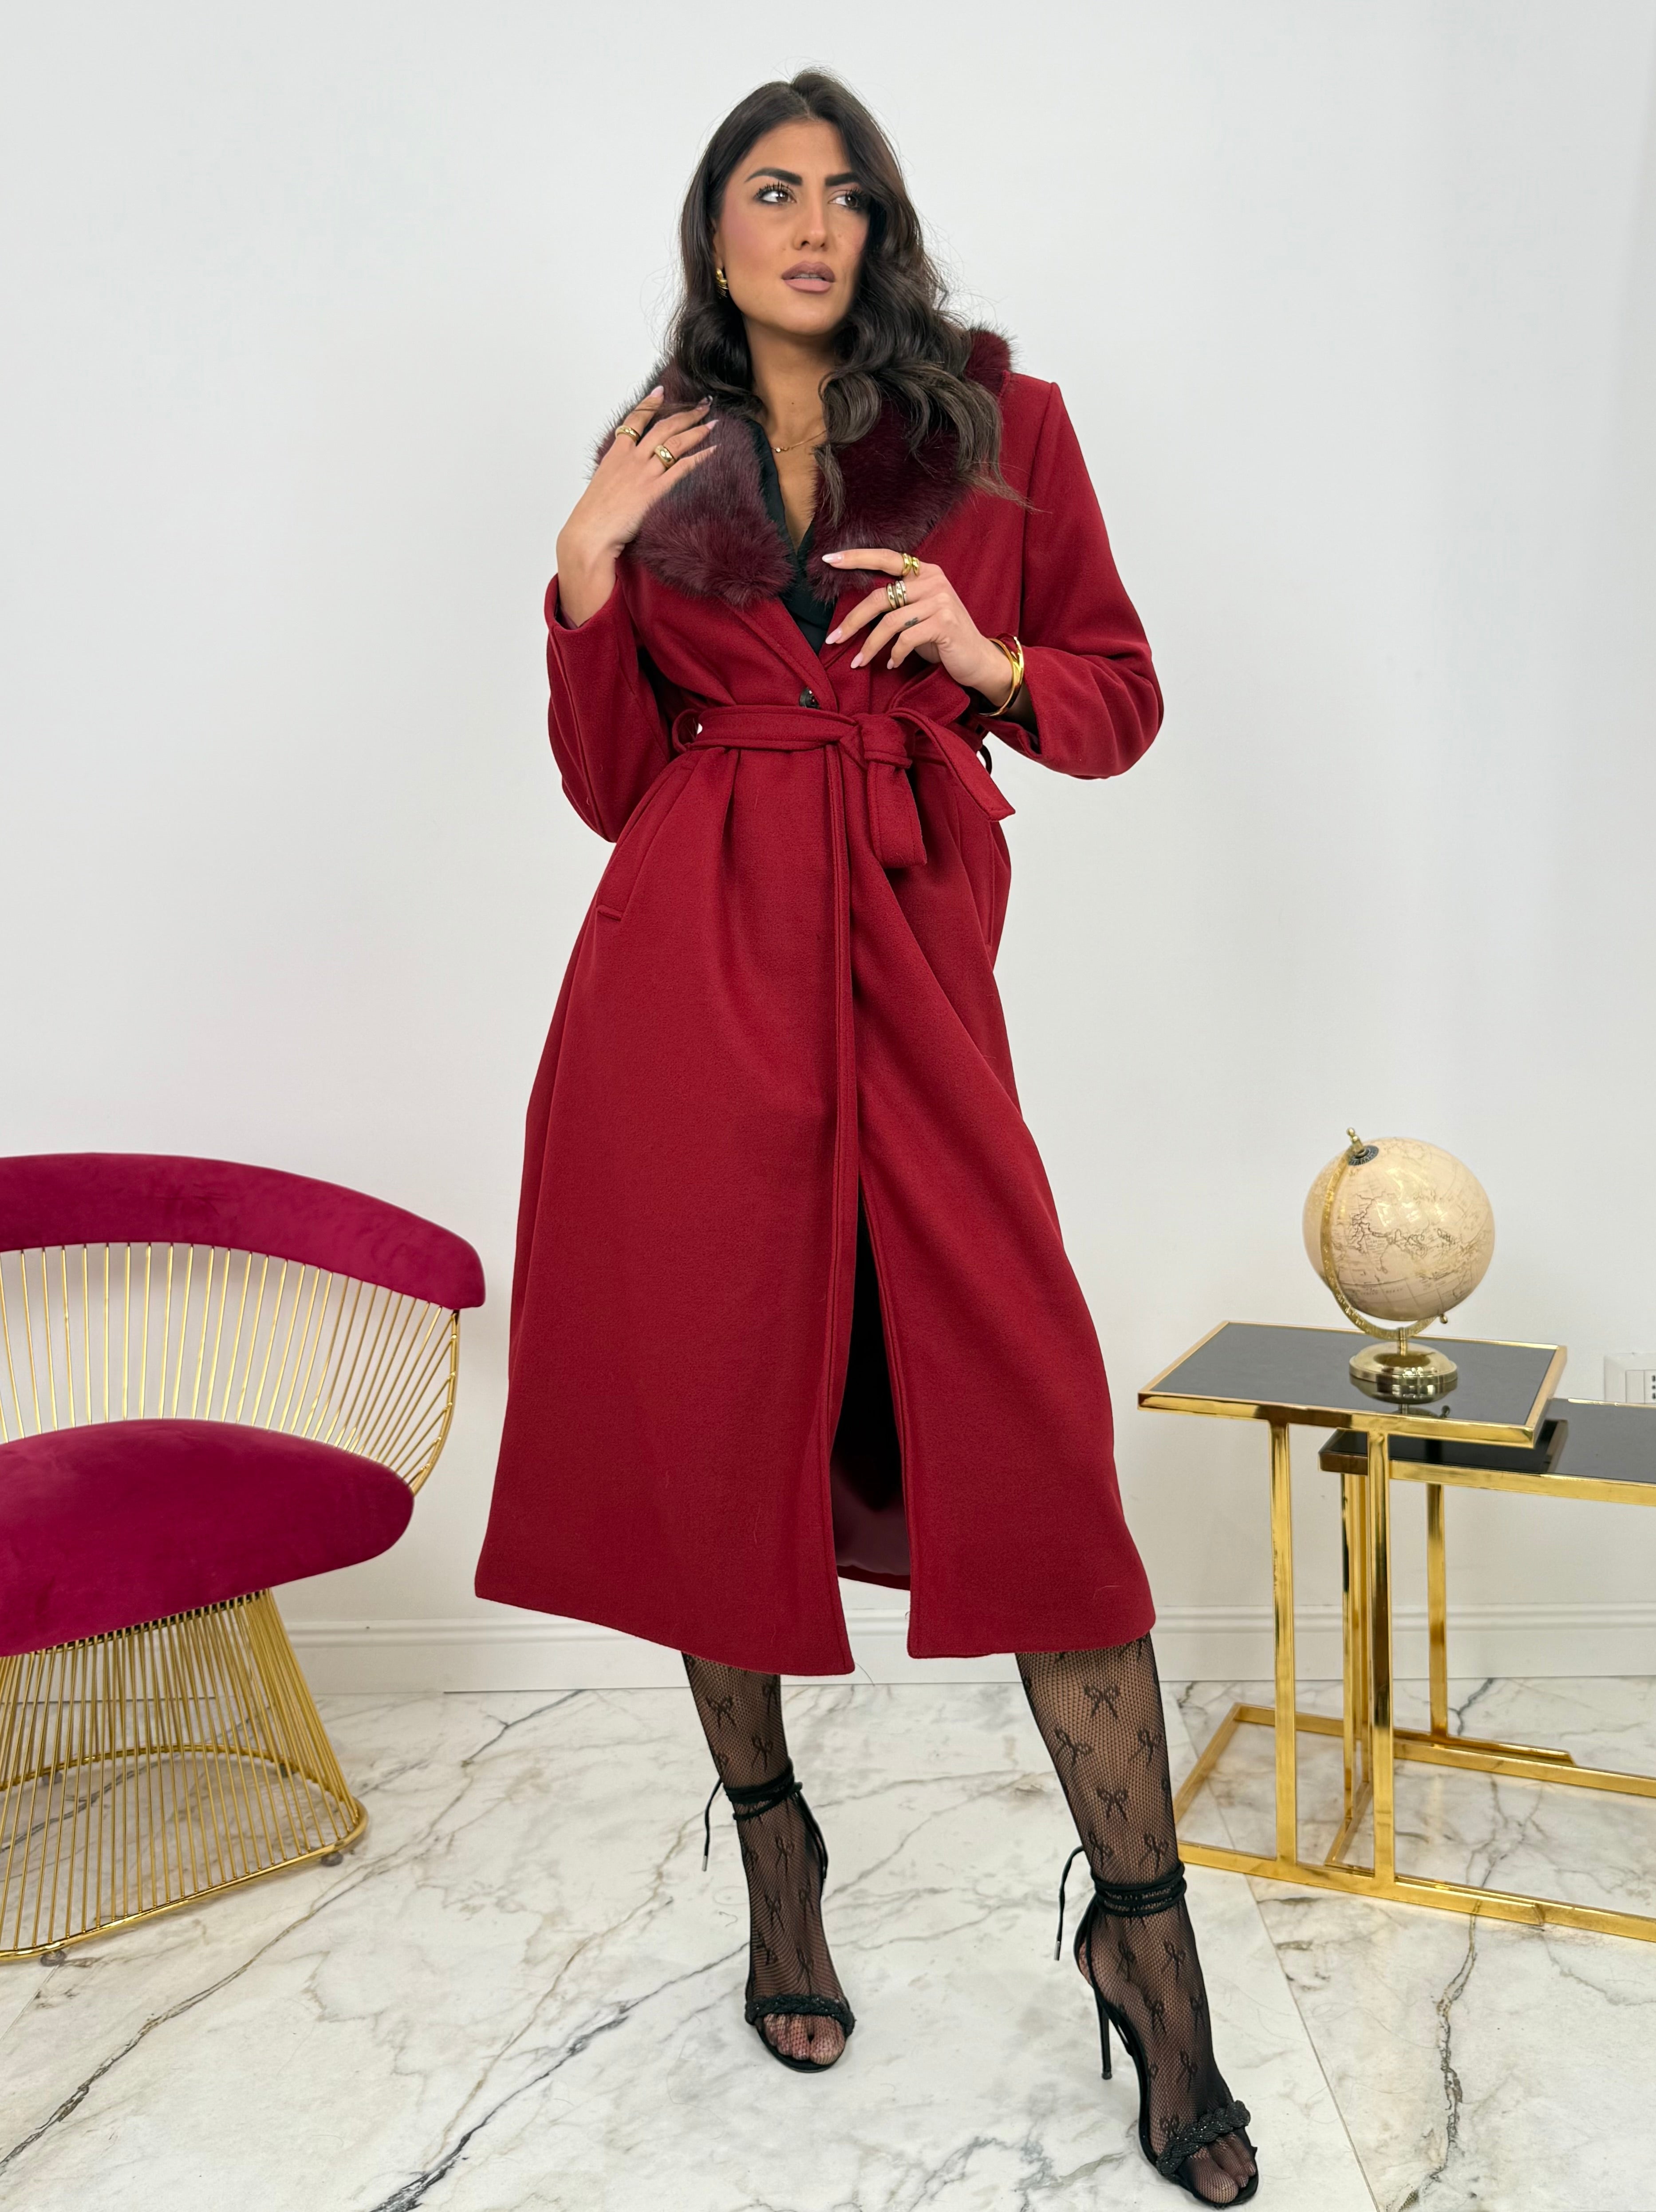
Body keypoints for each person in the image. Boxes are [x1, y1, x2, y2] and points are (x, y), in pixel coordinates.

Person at [474, 68, 1258, 2205]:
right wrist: (579, 573)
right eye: (770, 190)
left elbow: (1116, 696)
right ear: (714, 231)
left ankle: (1143, 1944)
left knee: (1034, 1442)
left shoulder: (1002, 425)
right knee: (714, 1416)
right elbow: (612, 782)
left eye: (845, 194)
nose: (811, 225)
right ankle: (775, 1853)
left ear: (882, 229)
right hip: (691, 977)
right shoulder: (653, 451)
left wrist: (989, 657)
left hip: (910, 964)